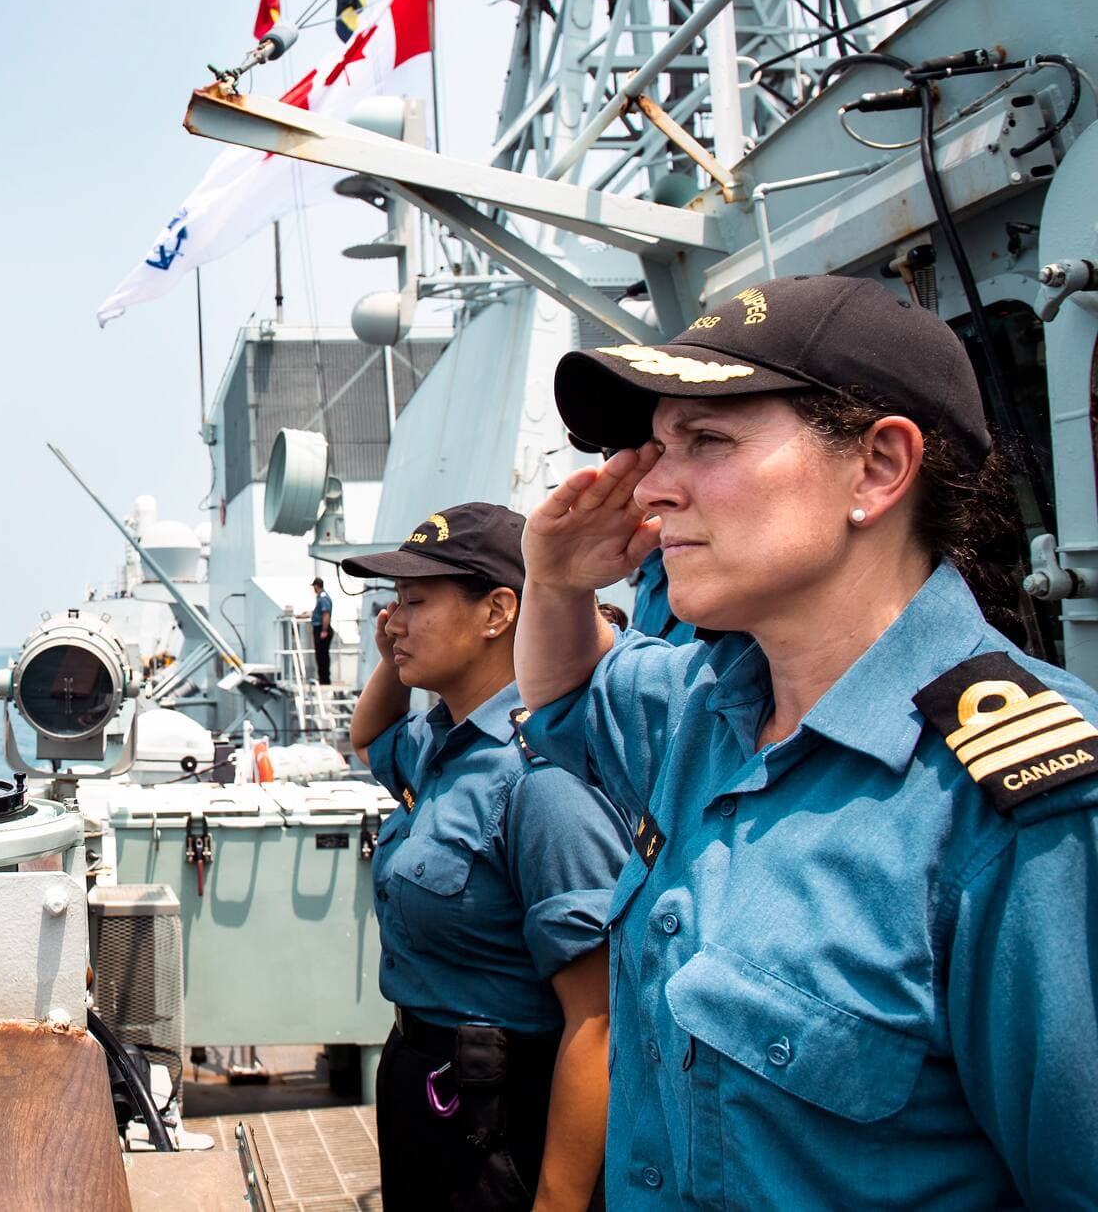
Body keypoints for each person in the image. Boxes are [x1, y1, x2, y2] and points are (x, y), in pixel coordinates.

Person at [514, 274, 1098, 1207]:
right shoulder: (709, 705)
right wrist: (552, 584)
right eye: (655, 448)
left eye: (706, 441)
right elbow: (567, 701)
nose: (653, 490)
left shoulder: (1027, 812)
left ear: (877, 468)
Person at [346, 502, 626, 1211]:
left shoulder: (541, 777)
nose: (392, 621)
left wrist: (557, 1202)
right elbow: (368, 736)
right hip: (427, 1090)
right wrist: (392, 662)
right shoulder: (442, 743)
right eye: (391, 603)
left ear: (499, 611)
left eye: (414, 601)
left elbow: (597, 1019)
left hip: (499, 1121)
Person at [310, 577, 334, 686]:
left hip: (321, 628)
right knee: (321, 654)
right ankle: (323, 678)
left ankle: (324, 680)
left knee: (322, 654)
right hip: (320, 628)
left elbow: (326, 614)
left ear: (316, 585)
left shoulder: (323, 598)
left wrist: (324, 630)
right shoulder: (321, 597)